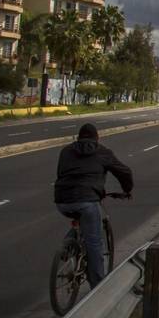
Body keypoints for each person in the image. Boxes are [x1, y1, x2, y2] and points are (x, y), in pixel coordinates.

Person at [53, 123, 134, 288]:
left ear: (78, 137)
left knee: (82, 220)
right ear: (97, 138)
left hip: (61, 201)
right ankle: (98, 288)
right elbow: (124, 172)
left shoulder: (66, 151)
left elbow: (61, 173)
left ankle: (67, 246)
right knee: (94, 242)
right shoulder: (102, 152)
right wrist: (127, 190)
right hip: (87, 200)